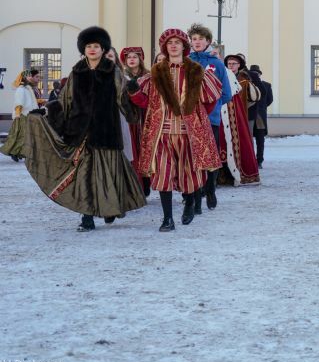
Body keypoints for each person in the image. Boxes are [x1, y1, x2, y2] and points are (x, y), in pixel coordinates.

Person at [24, 26, 146, 232]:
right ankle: (87, 217)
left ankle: (111, 207)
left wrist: (133, 98)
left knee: (108, 174)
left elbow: (122, 99)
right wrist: (45, 111)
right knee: (84, 176)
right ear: (84, 49)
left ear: (102, 48)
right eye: (89, 46)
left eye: (96, 46)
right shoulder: (77, 72)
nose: (92, 49)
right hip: (80, 131)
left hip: (106, 130)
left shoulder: (113, 71)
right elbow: (64, 100)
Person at [128, 28, 222, 231]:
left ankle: (189, 202)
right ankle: (167, 219)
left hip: (188, 133)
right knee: (163, 175)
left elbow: (211, 99)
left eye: (177, 42)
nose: (173, 45)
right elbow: (145, 102)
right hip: (162, 133)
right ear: (165, 47)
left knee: (189, 173)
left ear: (183, 46)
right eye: (169, 42)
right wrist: (134, 94)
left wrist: (197, 119)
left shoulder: (196, 70)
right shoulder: (155, 73)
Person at [187, 23, 232, 211]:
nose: (197, 42)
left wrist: (211, 106)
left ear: (208, 41)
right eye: (194, 39)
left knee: (210, 157)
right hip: (188, 118)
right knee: (190, 158)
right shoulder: (186, 61)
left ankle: (210, 188)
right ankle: (193, 194)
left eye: (201, 39)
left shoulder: (216, 64)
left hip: (210, 118)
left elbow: (226, 93)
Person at [217, 54, 260, 186]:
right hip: (222, 114)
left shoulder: (244, 79)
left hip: (239, 114)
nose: (231, 66)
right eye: (229, 63)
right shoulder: (222, 75)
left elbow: (255, 96)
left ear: (239, 65)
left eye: (234, 63)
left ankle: (240, 172)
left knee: (241, 141)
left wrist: (243, 109)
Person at [120, 47, 151, 195]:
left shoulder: (148, 77)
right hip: (129, 120)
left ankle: (146, 182)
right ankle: (134, 186)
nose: (131, 59)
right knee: (132, 151)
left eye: (135, 57)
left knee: (145, 151)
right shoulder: (121, 77)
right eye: (129, 57)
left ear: (140, 59)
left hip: (146, 117)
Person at [0, 69, 43, 162]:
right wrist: (18, 114)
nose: (31, 78)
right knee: (21, 136)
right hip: (22, 115)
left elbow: (31, 101)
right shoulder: (21, 89)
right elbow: (19, 103)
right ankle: (15, 152)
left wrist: (42, 101)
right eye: (29, 76)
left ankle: (19, 153)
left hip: (28, 115)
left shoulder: (28, 89)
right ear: (24, 78)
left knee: (25, 136)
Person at [249, 64, 273, 168]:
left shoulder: (266, 85)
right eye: (253, 73)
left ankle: (259, 160)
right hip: (249, 115)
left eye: (256, 73)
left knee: (260, 140)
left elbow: (269, 100)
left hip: (259, 117)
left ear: (259, 74)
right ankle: (250, 160)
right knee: (248, 139)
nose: (255, 75)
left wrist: (261, 108)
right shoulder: (247, 84)